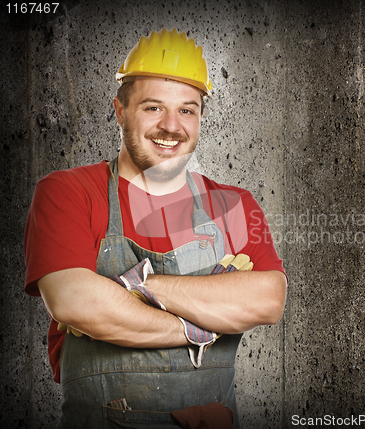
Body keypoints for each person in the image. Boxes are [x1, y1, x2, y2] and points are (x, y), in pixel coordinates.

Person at [24, 28, 287, 428]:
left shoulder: (235, 205)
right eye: (152, 108)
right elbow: (76, 303)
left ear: (199, 118)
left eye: (187, 110)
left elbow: (267, 299)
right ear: (119, 111)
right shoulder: (69, 192)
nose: (171, 126)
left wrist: (140, 285)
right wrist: (199, 324)